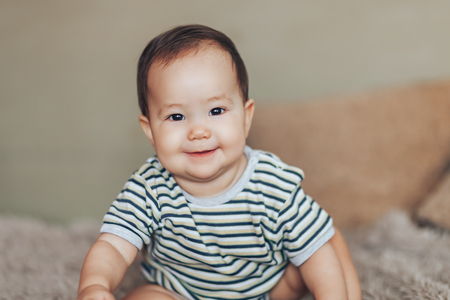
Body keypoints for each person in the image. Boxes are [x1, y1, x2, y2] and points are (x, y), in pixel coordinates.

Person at [77, 24, 361, 300]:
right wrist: (94, 286)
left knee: (320, 248)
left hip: (266, 290)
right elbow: (113, 246)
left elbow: (316, 254)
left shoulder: (273, 184)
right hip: (177, 291)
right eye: (176, 117)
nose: (198, 131)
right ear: (150, 130)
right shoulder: (148, 187)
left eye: (216, 110)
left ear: (246, 118)